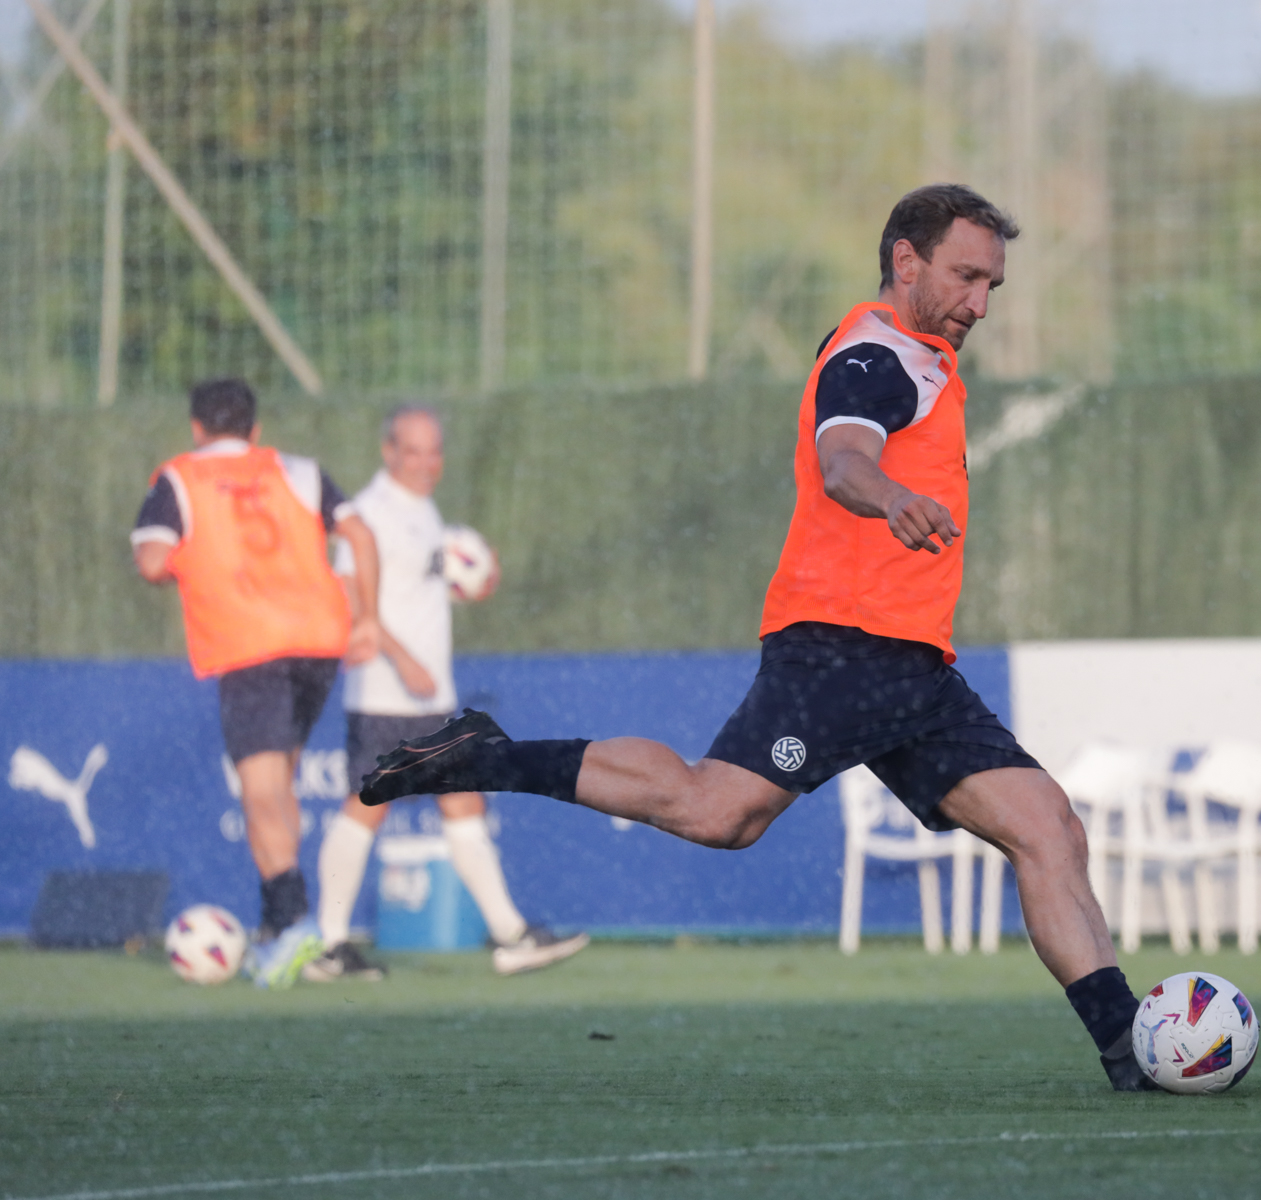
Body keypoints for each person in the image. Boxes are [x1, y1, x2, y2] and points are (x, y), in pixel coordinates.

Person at [359, 184, 1154, 1090]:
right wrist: (889, 494)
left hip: (916, 668)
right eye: (966, 277)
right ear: (906, 261)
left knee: (1049, 827)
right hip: (841, 649)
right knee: (718, 813)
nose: (980, 303)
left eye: (992, 286)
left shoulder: (921, 357)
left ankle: (1133, 1049)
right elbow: (843, 457)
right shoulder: (874, 356)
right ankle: (486, 755)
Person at [307, 405, 590, 980]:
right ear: (388, 452)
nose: (425, 463)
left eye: (434, 451)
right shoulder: (371, 511)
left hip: (428, 699)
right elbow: (348, 592)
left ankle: (511, 936)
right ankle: (330, 944)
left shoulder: (423, 509)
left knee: (464, 804)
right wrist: (402, 659)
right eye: (413, 451)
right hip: (386, 693)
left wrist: (475, 577)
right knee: (365, 810)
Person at [132, 378, 381, 989]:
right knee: (280, 782)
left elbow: (152, 562)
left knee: (261, 792)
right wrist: (368, 619)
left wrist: (203, 564)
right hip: (319, 642)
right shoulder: (299, 471)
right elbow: (360, 535)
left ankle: (294, 924)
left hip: (250, 646)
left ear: (196, 428)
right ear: (256, 430)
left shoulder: (180, 479)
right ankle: (276, 927)